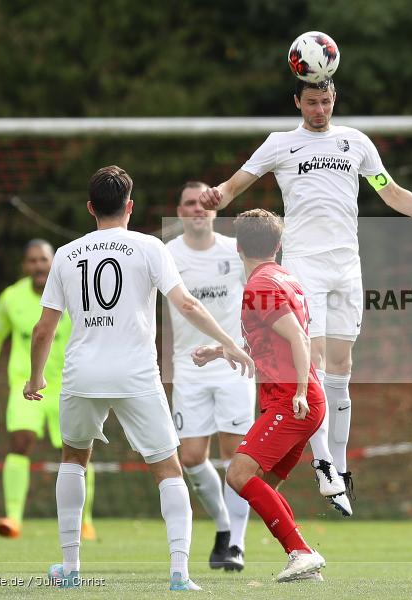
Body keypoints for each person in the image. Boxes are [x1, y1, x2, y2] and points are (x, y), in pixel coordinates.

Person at [199, 77, 412, 515]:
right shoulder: (280, 143)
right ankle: (322, 462)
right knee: (316, 360)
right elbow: (234, 185)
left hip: (347, 266)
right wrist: (218, 195)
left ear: (334, 100)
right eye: (311, 102)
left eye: (325, 101)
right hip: (305, 264)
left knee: (343, 366)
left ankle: (340, 469)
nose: (319, 109)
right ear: (297, 102)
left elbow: (391, 191)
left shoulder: (356, 143)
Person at [23, 166, 254, 591]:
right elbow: (186, 305)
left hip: (82, 374)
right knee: (168, 469)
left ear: (91, 207)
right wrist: (230, 343)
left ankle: (71, 568)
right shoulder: (149, 247)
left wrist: (36, 377)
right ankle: (179, 574)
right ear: (130, 206)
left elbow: (44, 329)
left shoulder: (66, 254)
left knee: (73, 460)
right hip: (136, 373)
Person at [192, 209, 327, 582]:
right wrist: (221, 351)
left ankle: (299, 552)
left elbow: (299, 339)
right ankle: (304, 560)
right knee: (262, 488)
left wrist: (299, 390)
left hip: (292, 399)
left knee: (238, 474)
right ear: (279, 244)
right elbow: (276, 340)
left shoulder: (260, 285)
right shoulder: (286, 279)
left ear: (237, 247)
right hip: (303, 400)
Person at [0, 239, 97, 541]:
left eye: (43, 259)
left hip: (69, 385)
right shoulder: (11, 298)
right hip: (25, 385)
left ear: (54, 261)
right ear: (24, 266)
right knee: (20, 441)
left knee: (77, 452)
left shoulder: (75, 293)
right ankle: (12, 519)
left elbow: (95, 333)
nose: (38, 265)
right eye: (32, 260)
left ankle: (85, 521)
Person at [164, 181, 253, 571]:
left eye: (204, 203)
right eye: (189, 204)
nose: (197, 209)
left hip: (234, 365)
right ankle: (221, 526)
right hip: (187, 368)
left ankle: (236, 544)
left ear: (214, 209)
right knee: (191, 457)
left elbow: (260, 300)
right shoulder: (166, 254)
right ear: (179, 211)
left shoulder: (234, 251)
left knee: (235, 457)